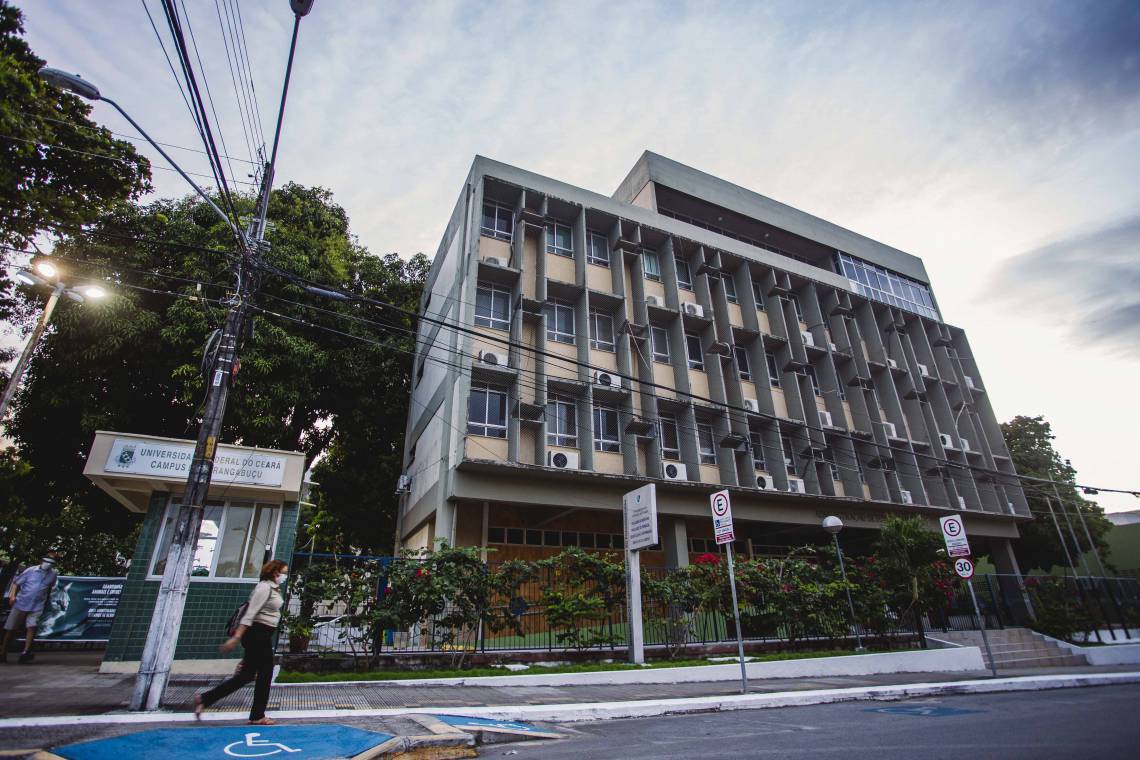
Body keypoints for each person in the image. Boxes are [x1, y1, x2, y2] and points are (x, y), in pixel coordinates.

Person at [194, 559, 288, 725]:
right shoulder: (264, 588)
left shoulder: (273, 588)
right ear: (275, 572)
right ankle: (258, 715)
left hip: (261, 635)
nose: (285, 576)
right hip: (258, 634)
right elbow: (250, 614)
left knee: (246, 675)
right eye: (284, 572)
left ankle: (205, 699)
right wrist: (236, 637)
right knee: (265, 674)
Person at [3, 552, 60, 664]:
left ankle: (26, 651)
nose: (48, 564)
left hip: (37, 605)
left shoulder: (53, 575)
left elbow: (49, 588)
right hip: (21, 602)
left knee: (32, 626)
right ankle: (3, 651)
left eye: (51, 562)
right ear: (41, 561)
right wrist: (13, 596)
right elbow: (16, 583)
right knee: (11, 628)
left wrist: (46, 601)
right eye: (46, 561)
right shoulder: (30, 571)